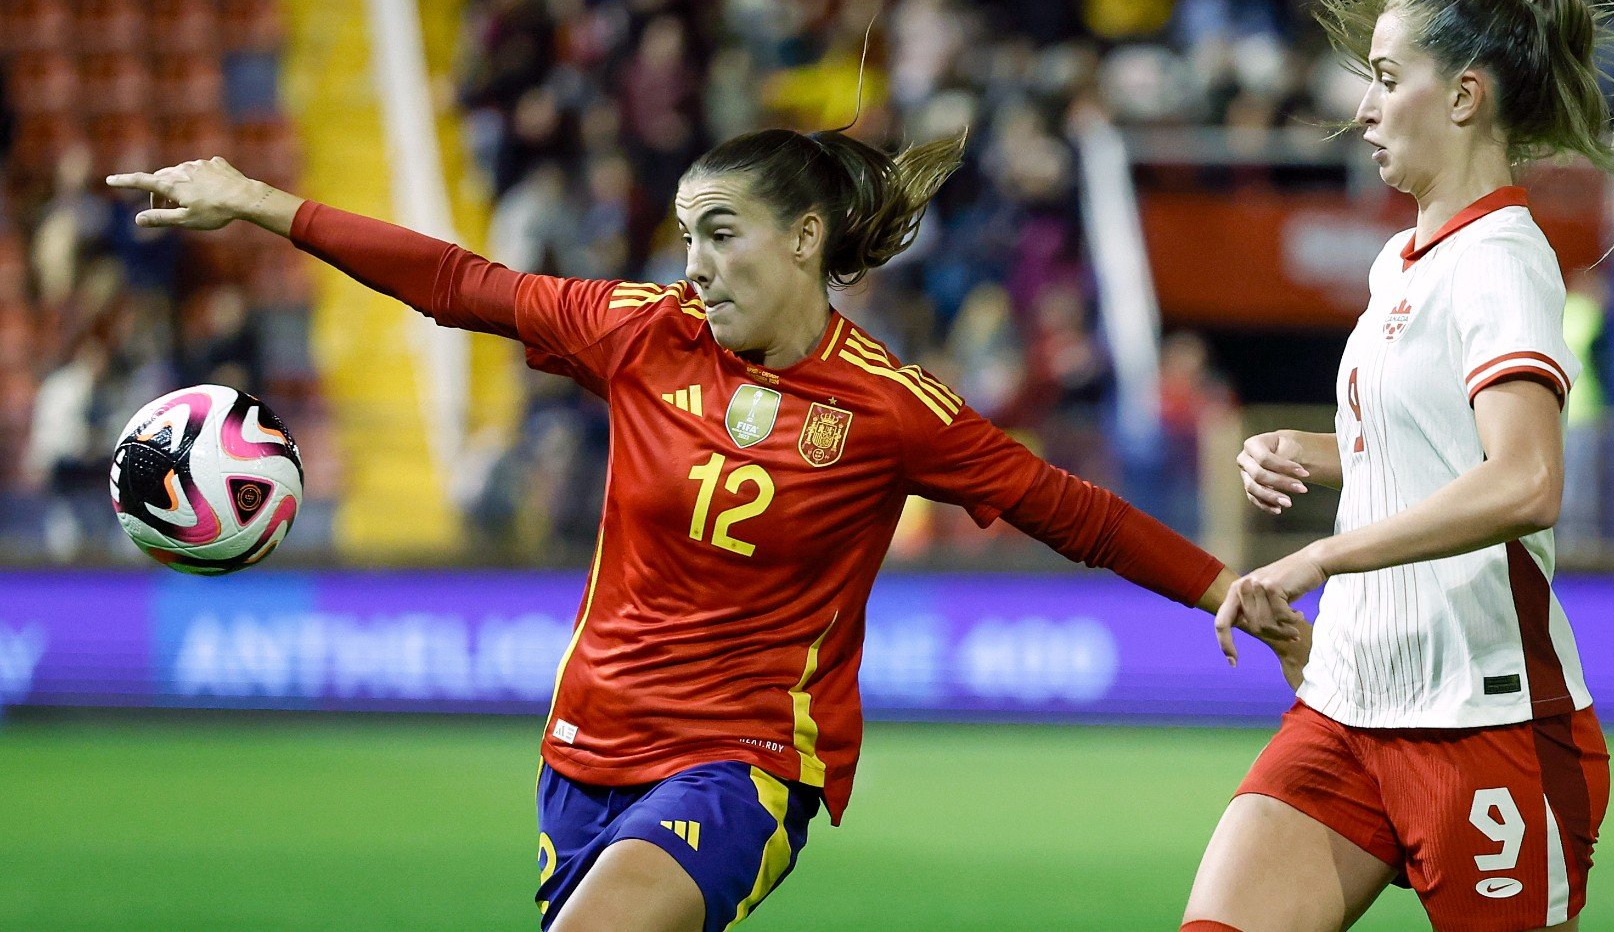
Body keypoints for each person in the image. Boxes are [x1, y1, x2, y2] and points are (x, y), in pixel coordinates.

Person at [108, 131, 1308, 932]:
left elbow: (1067, 507)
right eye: (686, 233)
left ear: (803, 239)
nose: (694, 263)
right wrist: (258, 203)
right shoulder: (641, 332)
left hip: (745, 761)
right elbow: (458, 283)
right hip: (580, 754)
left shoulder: (889, 407)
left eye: (721, 232)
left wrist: (1219, 584)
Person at [1183, 0, 1614, 932]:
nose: (1364, 106)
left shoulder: (1501, 262)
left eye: (1389, 77)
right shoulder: (1399, 260)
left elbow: (1526, 479)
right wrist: (1318, 452)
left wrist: (1316, 553)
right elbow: (1428, 447)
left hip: (1487, 726)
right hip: (1346, 707)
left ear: (1465, 98)